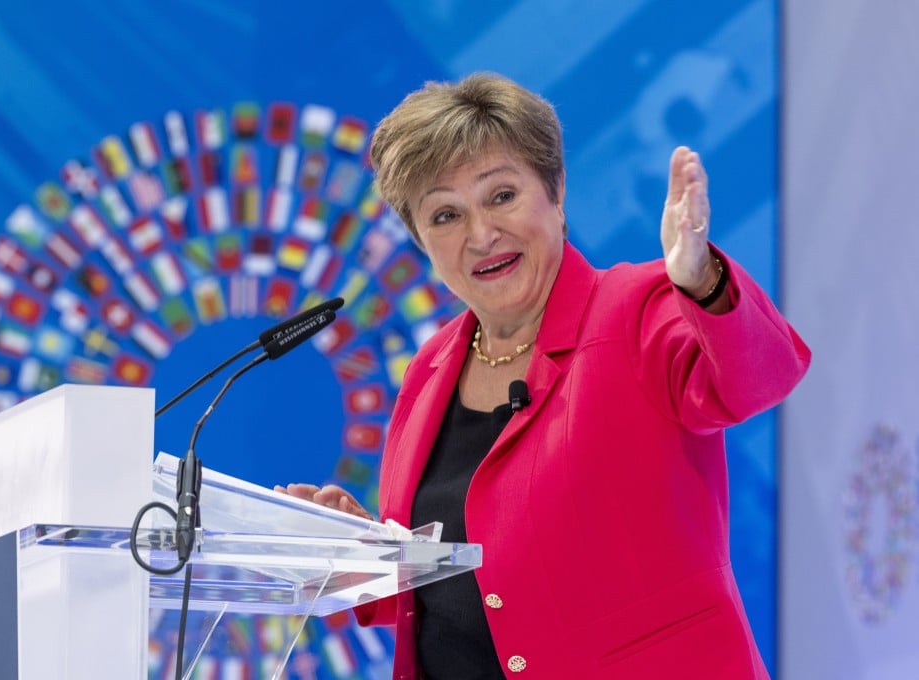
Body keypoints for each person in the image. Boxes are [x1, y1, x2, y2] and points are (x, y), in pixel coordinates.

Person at [277, 73, 810, 679]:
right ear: (421, 241)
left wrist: (703, 283)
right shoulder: (430, 369)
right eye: (446, 215)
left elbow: (755, 381)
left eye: (501, 196)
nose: (481, 235)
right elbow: (462, 586)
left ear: (556, 192)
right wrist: (366, 559)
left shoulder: (635, 308)